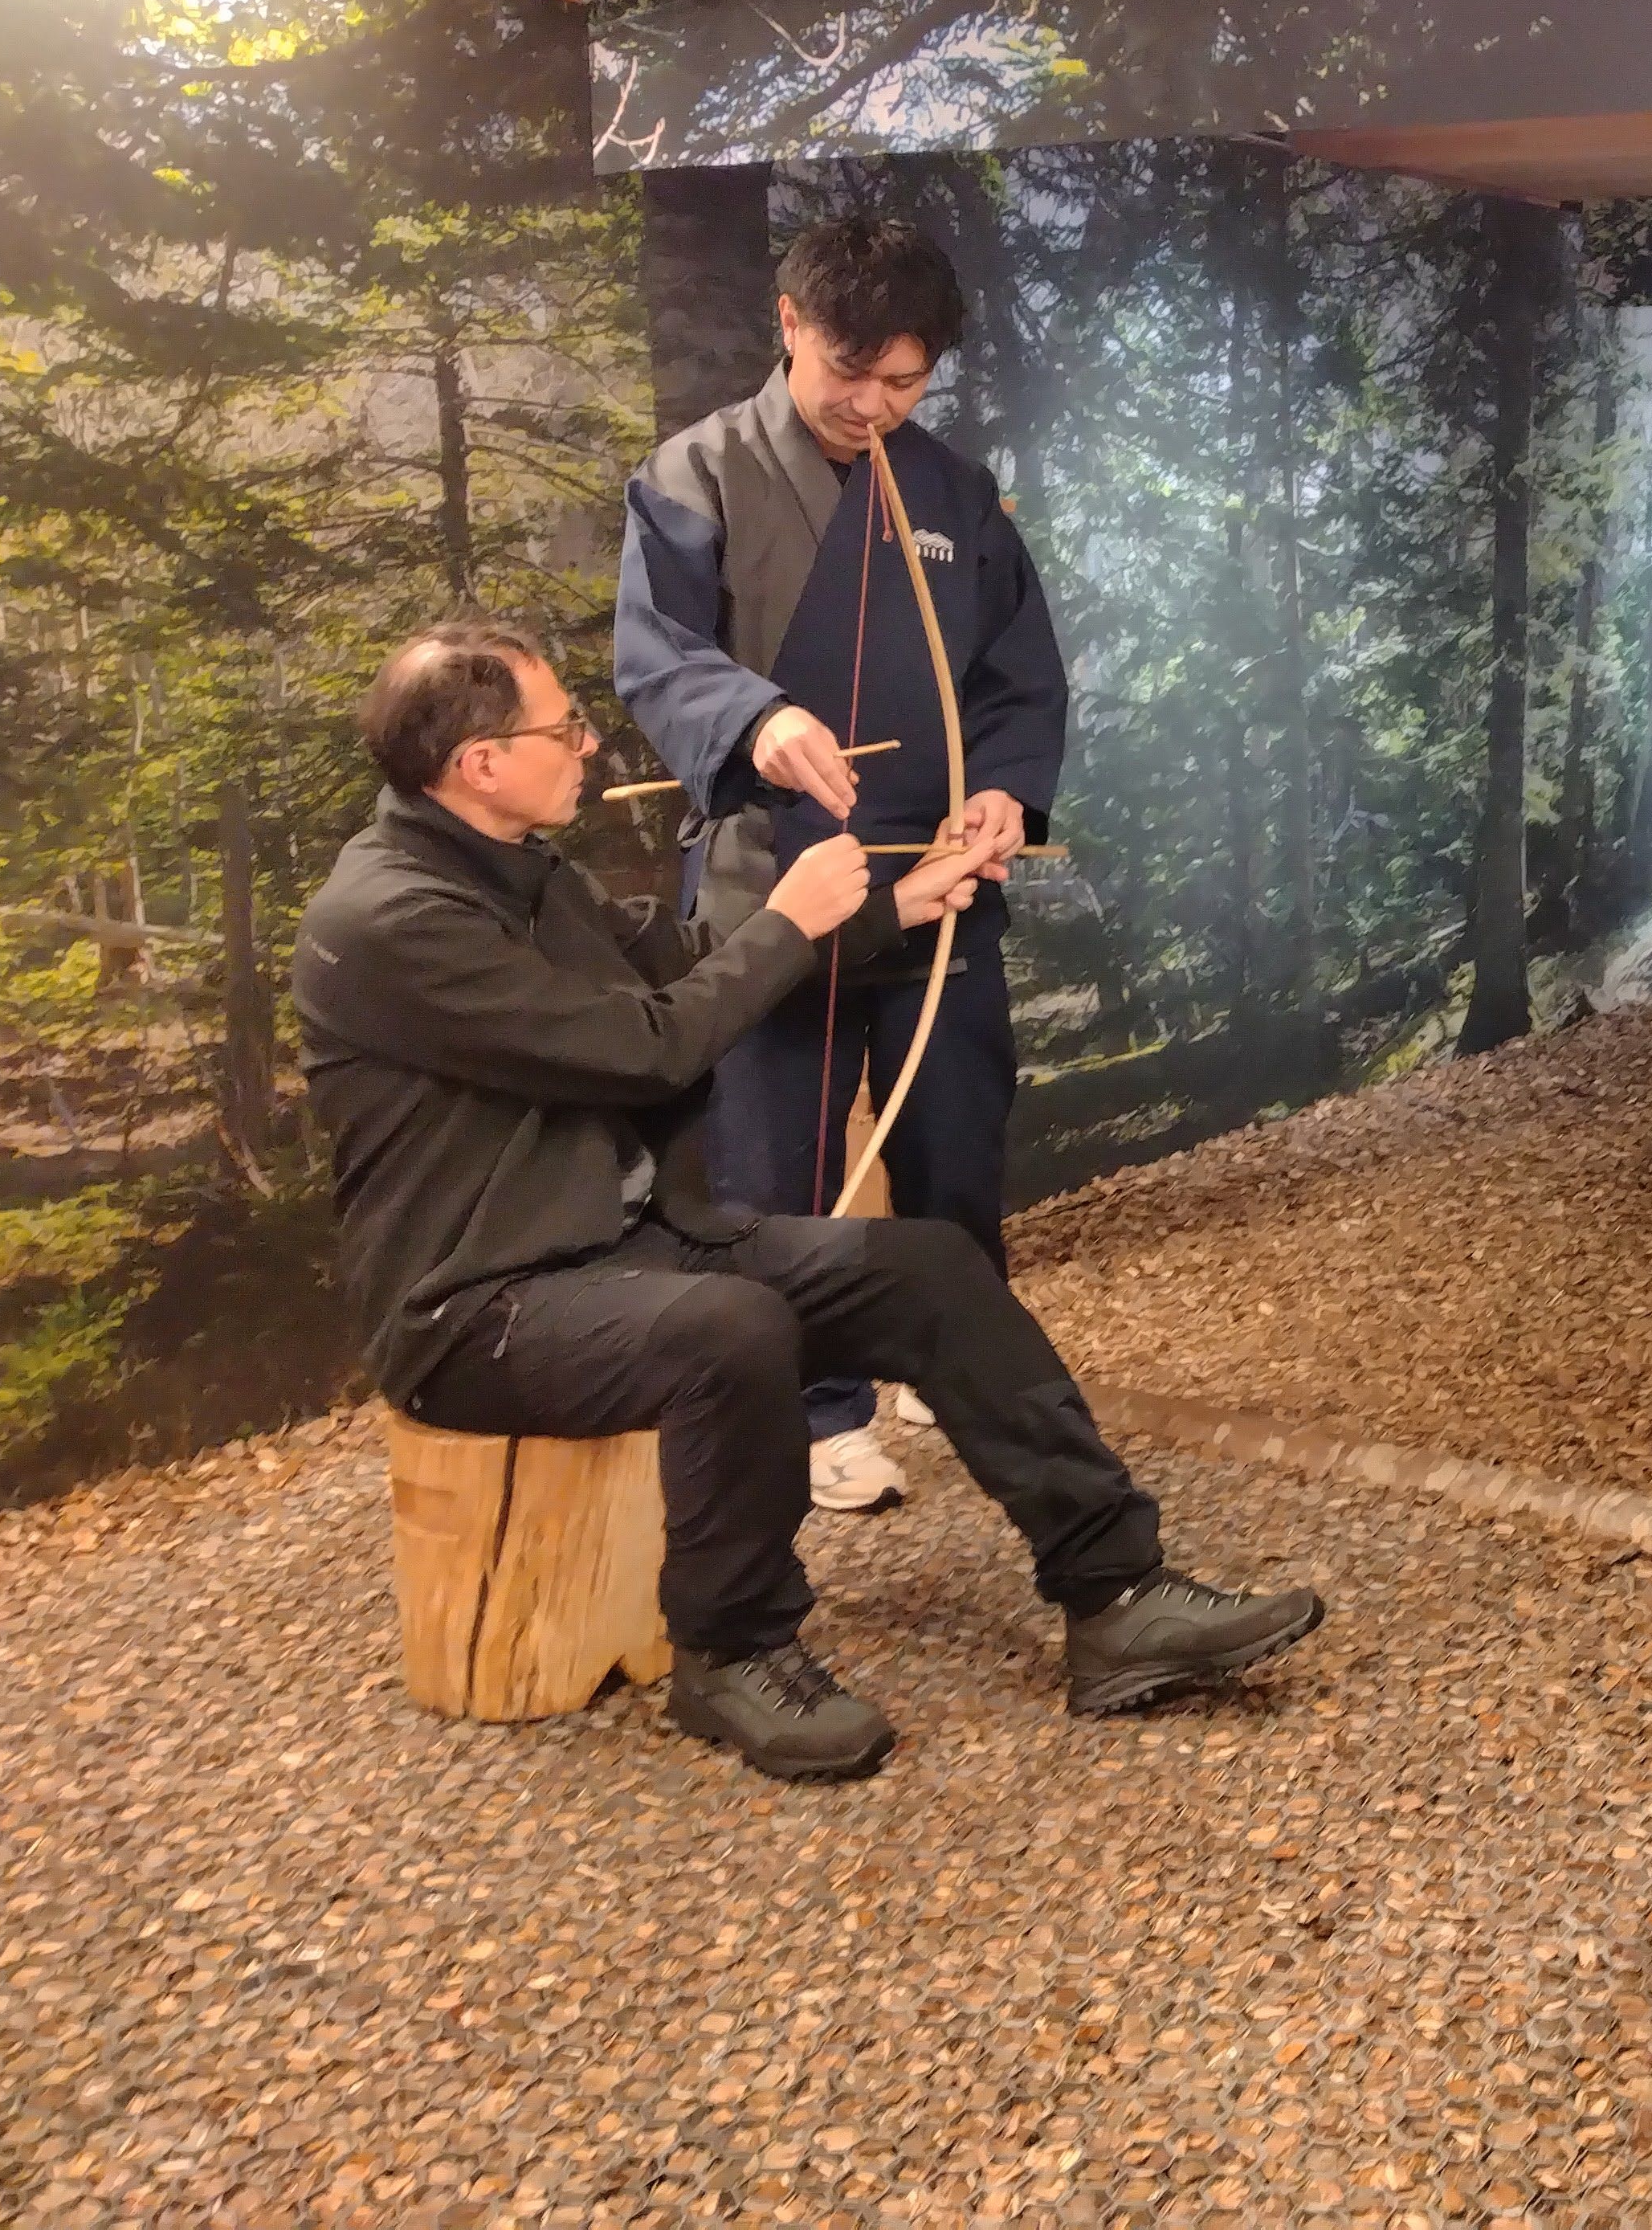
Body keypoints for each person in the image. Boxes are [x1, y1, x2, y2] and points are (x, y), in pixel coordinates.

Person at [292, 622, 1324, 1783]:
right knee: (727, 1330)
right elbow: (649, 1048)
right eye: (563, 727)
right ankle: (731, 1652)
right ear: (481, 763)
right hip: (481, 1307)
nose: (588, 745)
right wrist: (794, 913)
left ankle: (1117, 1592)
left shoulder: (529, 872)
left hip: (626, 1249)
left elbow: (691, 954)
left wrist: (896, 904)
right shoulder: (394, 920)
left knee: (927, 1267)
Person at [617, 214, 1063, 1517]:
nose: (872, 406)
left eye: (905, 383)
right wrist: (759, 719)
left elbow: (1017, 675)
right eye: (848, 373)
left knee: (954, 1130)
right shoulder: (694, 475)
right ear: (791, 325)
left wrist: (1002, 791)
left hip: (941, 875)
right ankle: (812, 1404)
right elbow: (657, 658)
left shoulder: (952, 491)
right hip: (780, 883)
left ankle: (946, 1343)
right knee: (778, 1157)